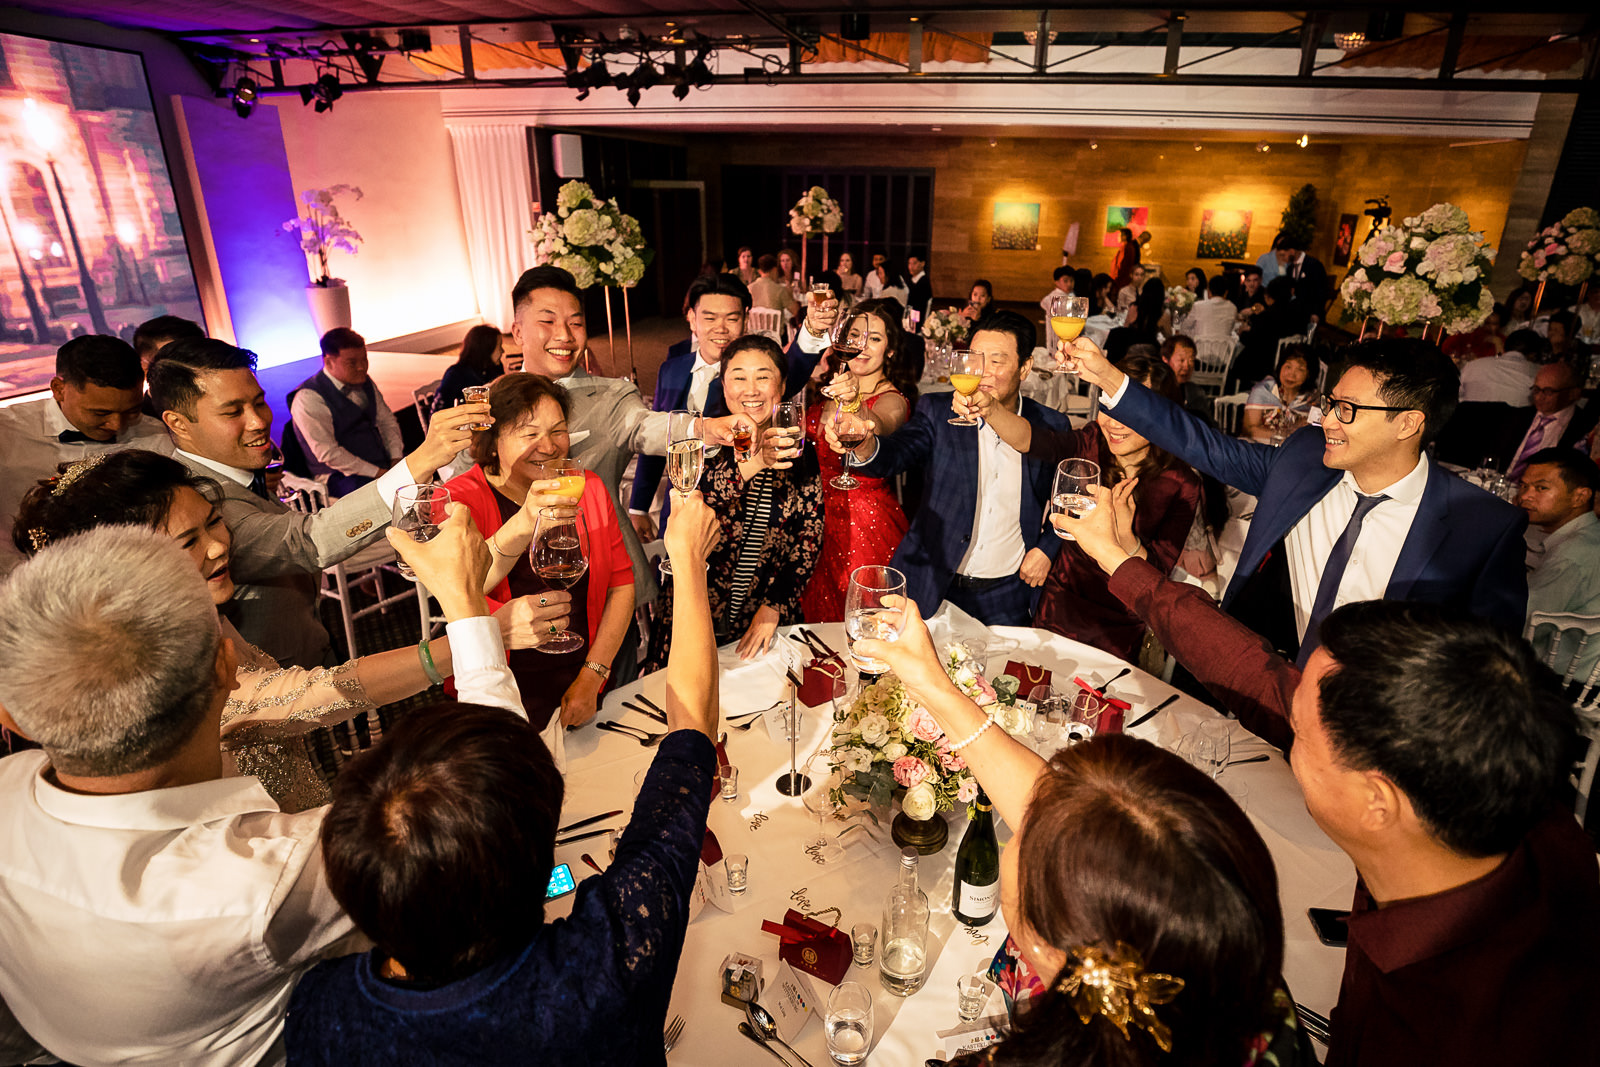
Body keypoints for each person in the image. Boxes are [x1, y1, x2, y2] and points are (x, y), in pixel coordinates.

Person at [1057, 490, 1599, 1067]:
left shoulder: (1460, 1030)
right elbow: (1255, 674)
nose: (1286, 715)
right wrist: (1122, 562)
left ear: (1377, 799)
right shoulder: (1496, 794)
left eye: (1301, 731)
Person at [0, 506, 524, 1067]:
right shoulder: (256, 882)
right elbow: (498, 810)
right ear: (227, 667)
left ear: (15, 718)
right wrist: (467, 610)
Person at [284, 493, 722, 1066]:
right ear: (539, 861)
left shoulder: (322, 1009)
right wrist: (687, 561)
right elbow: (690, 739)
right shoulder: (599, 970)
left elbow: (495, 756)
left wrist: (466, 605)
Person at [851, 604, 1313, 1067]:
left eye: (1031, 834)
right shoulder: (1223, 970)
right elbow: (1065, 812)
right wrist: (933, 685)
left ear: (1044, 948)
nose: (1024, 815)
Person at [11, 448, 567, 811]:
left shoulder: (204, 612)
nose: (217, 546)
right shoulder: (158, 664)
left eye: (213, 523)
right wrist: (471, 634)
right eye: (187, 542)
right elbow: (310, 695)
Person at [1055, 334, 1528, 667]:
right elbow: (1202, 444)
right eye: (1330, 403)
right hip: (1267, 684)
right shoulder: (1305, 458)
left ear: (1408, 423)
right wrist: (1109, 377)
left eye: (1347, 410)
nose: (1328, 421)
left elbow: (1489, 666)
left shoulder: (1483, 527)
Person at [150, 337, 481, 667]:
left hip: (309, 642)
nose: (259, 421)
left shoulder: (235, 468)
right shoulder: (192, 497)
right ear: (177, 422)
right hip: (273, 683)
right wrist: (419, 461)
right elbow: (306, 542)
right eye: (233, 411)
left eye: (259, 403)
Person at [829, 310, 1072, 626]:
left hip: (1009, 590)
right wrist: (863, 443)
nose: (982, 372)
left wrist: (1047, 548)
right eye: (976, 359)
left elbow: (1072, 497)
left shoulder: (1050, 425)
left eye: (997, 361)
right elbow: (895, 455)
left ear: (1024, 367)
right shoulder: (938, 410)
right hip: (935, 585)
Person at [959, 348, 1200, 661]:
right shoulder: (1090, 442)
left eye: (1132, 413)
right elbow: (1031, 440)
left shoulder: (1181, 485)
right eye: (1108, 406)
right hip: (1061, 602)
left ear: (1163, 416)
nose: (1114, 423)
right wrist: (990, 410)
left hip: (1119, 620)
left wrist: (1125, 537)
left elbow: (1156, 580)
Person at [443, 374, 635, 730]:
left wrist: (593, 675)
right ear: (494, 441)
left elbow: (622, 584)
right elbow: (461, 589)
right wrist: (525, 518)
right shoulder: (461, 499)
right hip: (498, 691)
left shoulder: (586, 486)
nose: (548, 446)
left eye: (558, 431)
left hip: (585, 682)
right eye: (529, 434)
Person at [646, 336, 821, 667]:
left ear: (782, 386)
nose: (751, 389)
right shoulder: (703, 441)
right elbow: (702, 501)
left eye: (763, 376)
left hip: (765, 616)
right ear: (723, 386)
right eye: (739, 377)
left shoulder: (800, 450)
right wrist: (757, 460)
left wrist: (775, 606)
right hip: (696, 607)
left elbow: (809, 536)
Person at [628, 273, 840, 539]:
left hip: (739, 511)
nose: (721, 328)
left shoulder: (751, 375)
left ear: (746, 319)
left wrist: (813, 328)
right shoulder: (671, 368)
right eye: (710, 318)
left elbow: (792, 369)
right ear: (692, 319)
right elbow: (659, 438)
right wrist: (638, 506)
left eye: (732, 318)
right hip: (680, 504)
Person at [0, 333, 165, 577]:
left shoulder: (157, 436)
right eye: (100, 413)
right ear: (58, 390)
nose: (117, 425)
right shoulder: (6, 435)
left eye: (132, 411)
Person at [801, 298, 914, 622]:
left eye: (874, 339)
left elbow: (877, 426)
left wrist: (854, 403)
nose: (862, 347)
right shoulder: (826, 387)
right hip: (811, 518)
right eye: (854, 337)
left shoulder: (892, 399)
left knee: (860, 624)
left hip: (864, 524)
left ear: (890, 350)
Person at [289, 328, 405, 496]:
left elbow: (387, 421)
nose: (361, 368)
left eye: (364, 360)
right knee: (386, 496)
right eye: (352, 363)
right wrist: (380, 474)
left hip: (379, 463)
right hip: (339, 475)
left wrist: (395, 459)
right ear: (329, 362)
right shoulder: (308, 398)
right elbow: (328, 453)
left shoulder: (364, 380)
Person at [1518, 449, 1600, 683]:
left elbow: (1521, 622)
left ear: (1580, 497)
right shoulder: (1591, 534)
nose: (1525, 496)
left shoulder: (1573, 555)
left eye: (1541, 488)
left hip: (1566, 680)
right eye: (1524, 486)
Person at [1503, 361, 1598, 479]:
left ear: (1573, 393)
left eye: (1548, 391)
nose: (1539, 397)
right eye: (1536, 390)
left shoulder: (1584, 427)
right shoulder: (1518, 416)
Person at [1243, 345, 1320, 442]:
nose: (1291, 374)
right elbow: (1249, 431)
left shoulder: (1311, 400)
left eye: (1300, 369)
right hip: (1258, 449)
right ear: (1280, 366)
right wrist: (1286, 435)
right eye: (1288, 367)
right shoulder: (1264, 391)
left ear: (1309, 374)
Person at [1456, 326, 1545, 405]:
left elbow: (1457, 397)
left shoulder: (1472, 366)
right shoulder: (1539, 374)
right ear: (1533, 355)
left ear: (1503, 348)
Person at [434, 323, 506, 415]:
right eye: (499, 347)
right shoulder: (455, 375)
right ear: (486, 349)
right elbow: (437, 413)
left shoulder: (495, 368)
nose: (503, 351)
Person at [1103, 278, 1163, 364]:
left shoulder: (1135, 306)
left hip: (1127, 351)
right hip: (1147, 353)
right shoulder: (1162, 314)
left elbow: (1126, 326)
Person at [1159, 335, 1211, 418]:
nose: (1186, 367)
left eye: (1191, 360)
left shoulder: (1195, 392)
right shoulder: (1157, 391)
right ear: (1165, 360)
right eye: (1181, 360)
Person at [1440, 303, 1505, 366]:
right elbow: (1445, 350)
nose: (1489, 327)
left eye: (1494, 324)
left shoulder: (1503, 341)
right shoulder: (1467, 335)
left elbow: (1503, 366)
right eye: (1486, 323)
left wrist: (1498, 344)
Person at [1185, 275, 1238, 344]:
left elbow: (1185, 328)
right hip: (1223, 353)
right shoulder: (1233, 308)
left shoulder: (1198, 306)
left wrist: (1196, 335)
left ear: (1209, 291)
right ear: (1226, 292)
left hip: (1199, 351)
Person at [902, 248, 932, 321]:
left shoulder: (924, 282)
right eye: (909, 263)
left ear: (922, 264)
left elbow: (919, 306)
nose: (911, 267)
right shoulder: (910, 280)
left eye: (914, 263)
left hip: (916, 320)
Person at [1110, 227, 1140, 293]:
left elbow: (1123, 264)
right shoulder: (1126, 246)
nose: (1118, 237)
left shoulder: (1128, 247)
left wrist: (1118, 277)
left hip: (1122, 279)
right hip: (1120, 278)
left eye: (1120, 235)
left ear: (1125, 236)